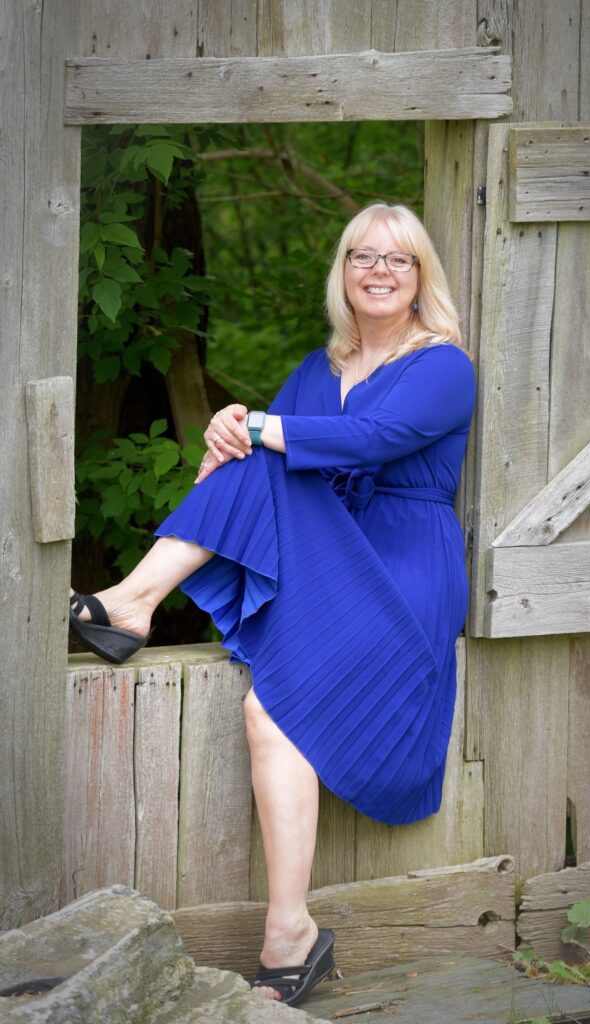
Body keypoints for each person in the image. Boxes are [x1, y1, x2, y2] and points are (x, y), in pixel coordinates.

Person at [69, 202, 476, 1007]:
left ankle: (132, 602)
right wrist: (231, 429)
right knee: (269, 706)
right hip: (331, 556)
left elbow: (369, 443)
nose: (378, 271)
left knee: (257, 453)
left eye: (397, 259)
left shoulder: (443, 366)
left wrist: (251, 428)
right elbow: (272, 448)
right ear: (344, 274)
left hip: (401, 570)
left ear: (422, 275)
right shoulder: (317, 366)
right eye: (362, 256)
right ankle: (291, 929)